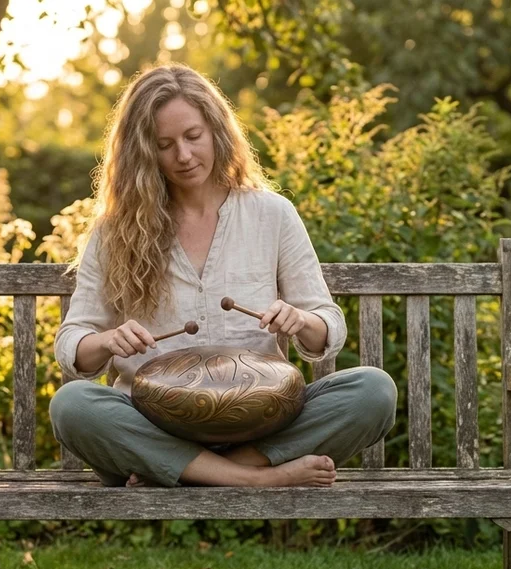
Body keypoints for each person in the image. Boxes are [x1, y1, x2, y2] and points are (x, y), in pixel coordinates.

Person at [50, 64, 396, 489]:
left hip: (263, 423)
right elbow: (73, 342)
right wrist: (104, 340)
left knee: (373, 391)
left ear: (216, 130)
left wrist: (302, 320)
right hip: (153, 425)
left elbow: (327, 324)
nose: (183, 156)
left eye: (193, 136)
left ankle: (203, 471)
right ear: (143, 152)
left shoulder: (272, 214)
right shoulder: (116, 229)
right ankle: (255, 478)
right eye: (164, 144)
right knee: (72, 406)